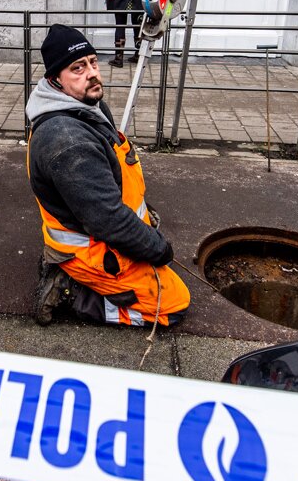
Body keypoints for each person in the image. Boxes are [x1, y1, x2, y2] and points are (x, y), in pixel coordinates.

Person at [25, 24, 190, 327]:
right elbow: (108, 220)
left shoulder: (87, 105)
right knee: (174, 305)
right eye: (77, 68)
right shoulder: (67, 141)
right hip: (88, 246)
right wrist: (157, 249)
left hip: (94, 227)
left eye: (92, 62)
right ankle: (72, 292)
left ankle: (75, 276)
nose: (91, 73)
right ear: (56, 81)